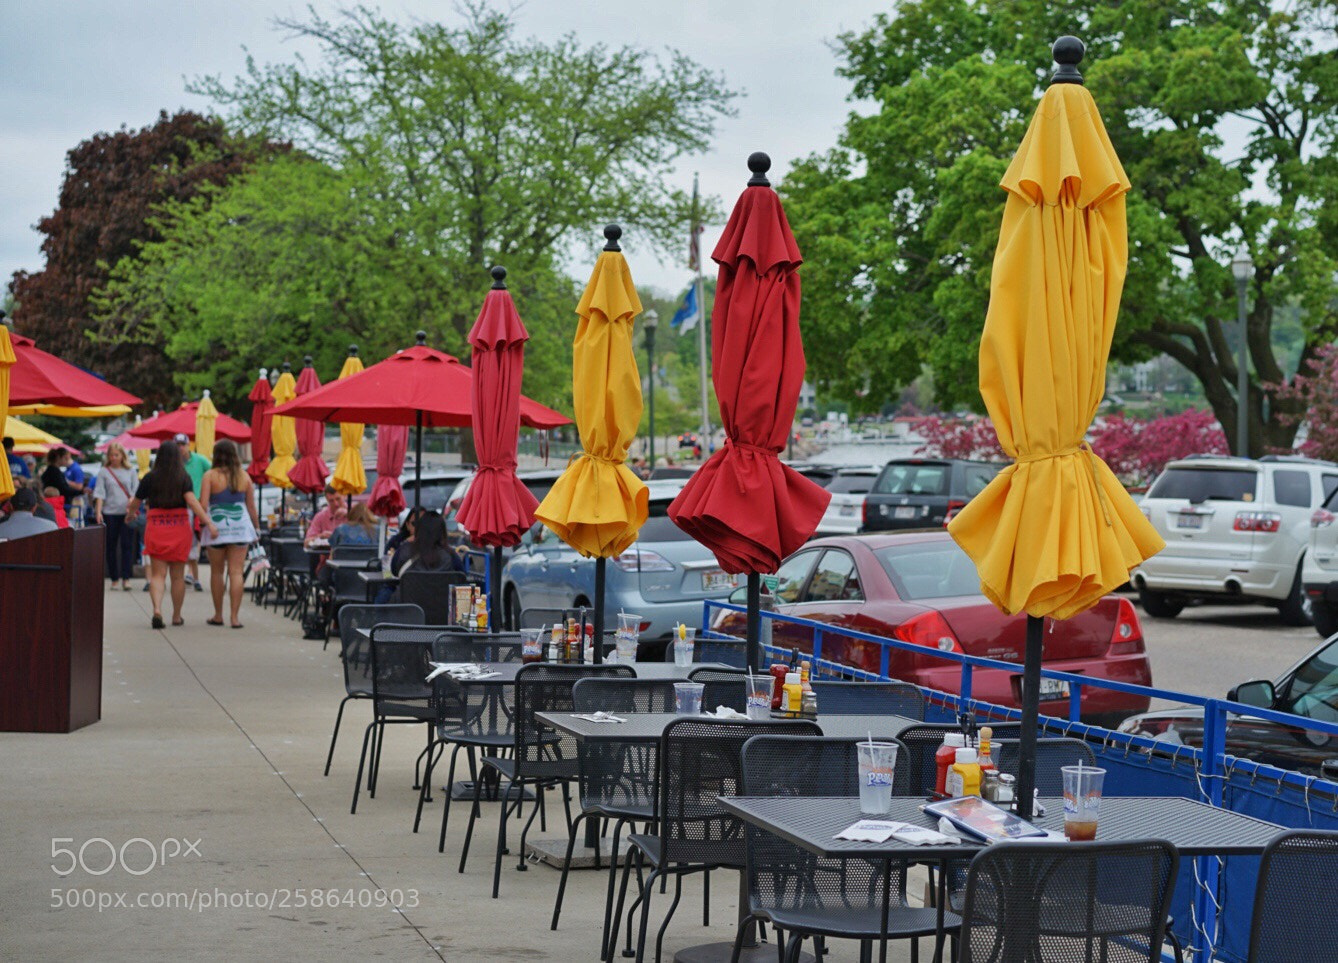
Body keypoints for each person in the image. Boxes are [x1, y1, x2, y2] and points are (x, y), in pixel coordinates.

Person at [127, 440, 217, 630]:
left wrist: (130, 515)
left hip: (157, 526)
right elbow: (193, 502)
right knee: (177, 576)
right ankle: (176, 616)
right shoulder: (183, 477)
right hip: (179, 527)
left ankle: (157, 610)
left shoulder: (150, 478)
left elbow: (136, 502)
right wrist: (208, 522)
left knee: (158, 575)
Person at [199, 439, 259, 629]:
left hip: (216, 528)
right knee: (236, 572)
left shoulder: (210, 476)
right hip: (240, 528)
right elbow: (251, 507)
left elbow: (203, 505)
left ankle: (218, 615)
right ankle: (234, 617)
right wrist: (256, 529)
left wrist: (205, 524)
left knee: (217, 572)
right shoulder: (244, 476)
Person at [94, 442, 139, 590]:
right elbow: (100, 493)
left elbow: (135, 491)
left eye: (116, 455)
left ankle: (126, 578)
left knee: (127, 546)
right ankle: (114, 578)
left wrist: (132, 503)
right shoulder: (104, 471)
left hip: (127, 513)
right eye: (111, 455)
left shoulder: (131, 471)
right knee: (111, 546)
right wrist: (98, 511)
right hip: (110, 512)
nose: (113, 458)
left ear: (122, 456)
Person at [175, 433, 212, 591]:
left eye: (182, 444)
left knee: (196, 538)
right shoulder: (174, 463)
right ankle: (190, 573)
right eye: (177, 445)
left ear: (188, 445)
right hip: (180, 506)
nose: (180, 448)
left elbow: (213, 474)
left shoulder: (200, 460)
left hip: (198, 504)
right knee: (186, 540)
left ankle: (192, 572)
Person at [394, 511, 467, 578]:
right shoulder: (450, 554)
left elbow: (394, 571)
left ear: (419, 529)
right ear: (442, 532)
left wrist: (406, 542)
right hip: (442, 592)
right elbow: (463, 576)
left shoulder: (404, 549)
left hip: (409, 592)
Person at [40, 448, 83, 514]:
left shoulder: (53, 471)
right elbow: (64, 489)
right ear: (59, 458)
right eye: (66, 458)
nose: (67, 461)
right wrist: (81, 491)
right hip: (57, 505)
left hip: (54, 505)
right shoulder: (54, 472)